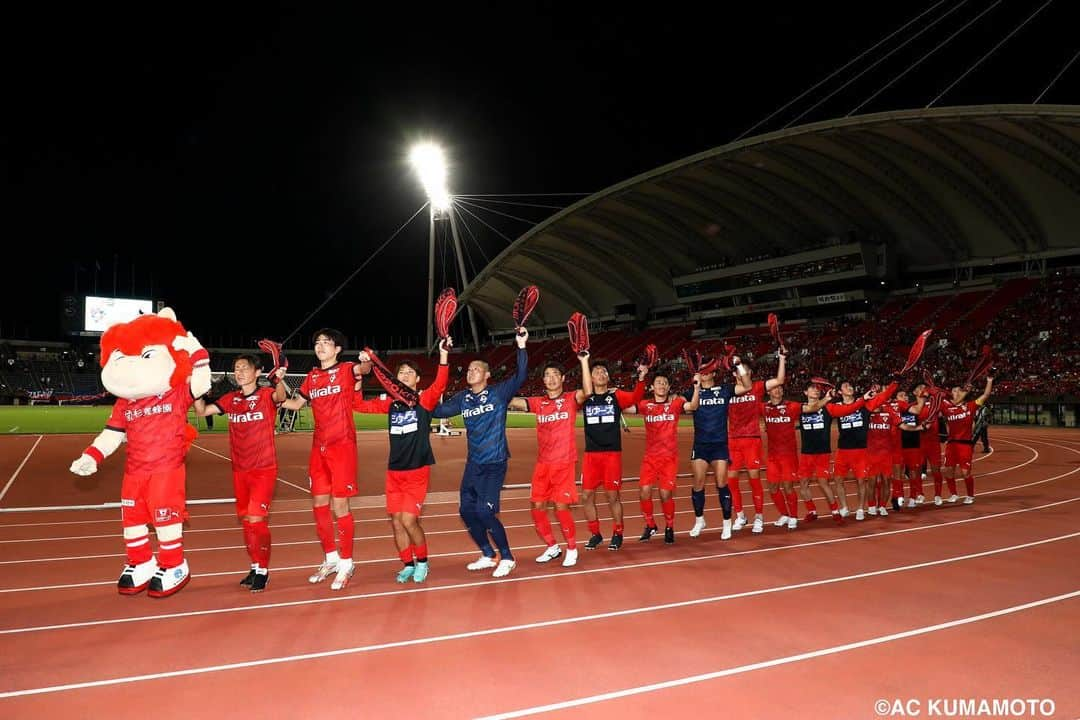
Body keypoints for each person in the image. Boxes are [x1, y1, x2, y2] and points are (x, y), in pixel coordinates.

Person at [433, 328, 529, 578]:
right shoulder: (463, 398)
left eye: (476, 369)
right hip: (473, 465)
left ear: (486, 374)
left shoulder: (499, 393)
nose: (470, 372)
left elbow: (521, 375)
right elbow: (438, 411)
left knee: (485, 512)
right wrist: (416, 398)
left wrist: (521, 346)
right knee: (466, 511)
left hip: (495, 463)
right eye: (468, 369)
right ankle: (488, 554)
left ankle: (507, 556)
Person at [354, 340, 450, 583]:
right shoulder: (390, 403)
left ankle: (423, 562)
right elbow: (357, 405)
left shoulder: (424, 401)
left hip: (417, 472)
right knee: (397, 522)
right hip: (394, 472)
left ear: (417, 379)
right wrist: (358, 377)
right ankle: (408, 564)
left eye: (410, 373)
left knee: (409, 520)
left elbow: (439, 385)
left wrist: (443, 355)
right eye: (401, 373)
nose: (405, 375)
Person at [278, 329, 366, 591]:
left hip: (343, 447)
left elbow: (364, 369)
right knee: (318, 504)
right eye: (317, 342)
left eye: (326, 343)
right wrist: (279, 383)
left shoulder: (348, 369)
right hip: (319, 448)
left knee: (340, 506)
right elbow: (294, 404)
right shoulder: (312, 377)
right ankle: (331, 558)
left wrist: (366, 360)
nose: (321, 346)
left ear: (338, 349)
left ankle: (347, 562)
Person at [194, 354, 288, 592]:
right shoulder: (231, 398)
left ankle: (263, 571)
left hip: (263, 468)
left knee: (256, 520)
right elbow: (202, 411)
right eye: (236, 368)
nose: (239, 372)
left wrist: (278, 380)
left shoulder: (266, 395)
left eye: (245, 368)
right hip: (239, 469)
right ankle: (255, 565)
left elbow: (281, 397)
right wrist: (196, 389)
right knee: (247, 522)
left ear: (257, 372)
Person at [509, 351, 592, 567]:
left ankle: (572, 548)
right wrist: (496, 392)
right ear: (543, 380)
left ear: (563, 379)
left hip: (564, 463)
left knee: (561, 507)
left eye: (556, 374)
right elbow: (515, 401)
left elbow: (588, 391)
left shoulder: (571, 399)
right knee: (536, 506)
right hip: (543, 464)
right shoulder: (538, 403)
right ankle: (552, 546)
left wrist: (584, 361)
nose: (552, 378)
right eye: (547, 374)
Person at [580, 359, 646, 551]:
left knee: (612, 496)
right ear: (590, 377)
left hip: (611, 455)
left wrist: (641, 378)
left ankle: (618, 532)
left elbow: (635, 397)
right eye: (596, 372)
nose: (600, 374)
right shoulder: (585, 397)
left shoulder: (616, 396)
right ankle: (595, 533)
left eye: (603, 372)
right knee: (586, 496)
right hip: (591, 455)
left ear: (608, 377)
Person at [626, 370, 699, 544]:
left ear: (668, 387)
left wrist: (696, 388)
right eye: (658, 382)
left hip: (669, 458)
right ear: (652, 387)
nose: (661, 385)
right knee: (644, 492)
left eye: (664, 383)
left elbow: (693, 407)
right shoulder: (645, 405)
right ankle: (650, 524)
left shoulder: (676, 403)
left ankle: (669, 526)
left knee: (665, 494)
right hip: (650, 458)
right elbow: (627, 406)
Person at [686, 356, 754, 541]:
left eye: (708, 371)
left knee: (721, 483)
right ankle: (699, 520)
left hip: (719, 445)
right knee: (698, 483)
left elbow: (747, 386)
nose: (705, 374)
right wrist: (696, 387)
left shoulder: (725, 390)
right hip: (700, 445)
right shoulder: (693, 391)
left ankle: (726, 523)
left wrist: (739, 365)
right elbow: (688, 405)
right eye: (702, 370)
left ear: (714, 373)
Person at [726, 352, 785, 533]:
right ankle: (740, 515)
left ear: (749, 373)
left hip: (752, 440)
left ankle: (758, 516)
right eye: (738, 370)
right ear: (734, 374)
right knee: (731, 480)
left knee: (754, 479)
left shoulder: (757, 387)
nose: (742, 372)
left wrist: (782, 359)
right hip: (733, 441)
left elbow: (780, 380)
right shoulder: (728, 390)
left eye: (746, 369)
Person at [830, 380, 898, 521]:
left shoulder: (866, 405)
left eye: (851, 385)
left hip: (860, 451)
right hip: (842, 450)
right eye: (846, 386)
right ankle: (844, 507)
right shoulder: (836, 406)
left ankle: (861, 508)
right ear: (840, 392)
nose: (850, 387)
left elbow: (883, 397)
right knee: (837, 480)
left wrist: (895, 383)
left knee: (862, 481)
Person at [762, 383, 816, 530]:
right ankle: (784, 514)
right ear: (769, 391)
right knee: (772, 487)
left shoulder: (791, 406)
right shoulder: (763, 407)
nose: (778, 390)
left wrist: (826, 399)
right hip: (772, 455)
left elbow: (811, 408)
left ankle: (793, 516)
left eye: (780, 388)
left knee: (788, 487)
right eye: (775, 388)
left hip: (788, 455)